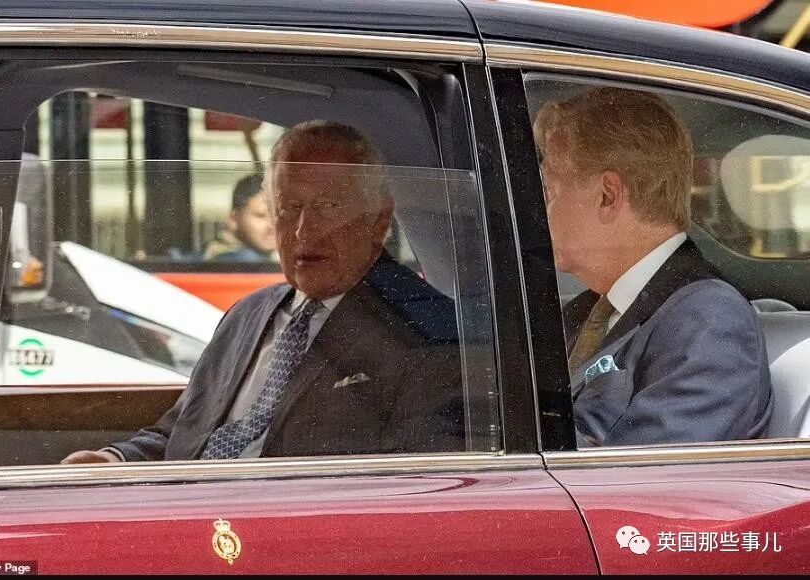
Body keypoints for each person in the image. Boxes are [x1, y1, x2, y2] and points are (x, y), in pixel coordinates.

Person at [62, 120, 463, 463]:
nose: (304, 231)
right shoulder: (248, 314)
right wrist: (115, 459)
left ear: (379, 220)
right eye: (289, 208)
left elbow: (409, 483)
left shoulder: (426, 331)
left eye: (328, 207)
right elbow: (183, 433)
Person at [533, 87, 772, 447]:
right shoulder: (583, 313)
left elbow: (648, 470)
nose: (540, 210)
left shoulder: (710, 320)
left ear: (608, 196)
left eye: (549, 191)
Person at [203, 173, 278, 263]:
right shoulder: (235, 261)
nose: (272, 226)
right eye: (261, 216)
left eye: (278, 216)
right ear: (234, 220)